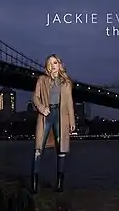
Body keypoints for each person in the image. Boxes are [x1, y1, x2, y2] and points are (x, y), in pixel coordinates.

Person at [31, 54, 75, 194]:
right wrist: (42, 108)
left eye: (55, 62)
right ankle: (34, 185)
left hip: (61, 117)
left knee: (61, 150)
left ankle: (60, 185)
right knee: (38, 150)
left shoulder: (66, 82)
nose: (53, 65)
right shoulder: (42, 80)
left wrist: (72, 121)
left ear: (59, 64)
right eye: (50, 63)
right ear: (47, 66)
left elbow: (69, 103)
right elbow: (35, 97)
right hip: (46, 115)